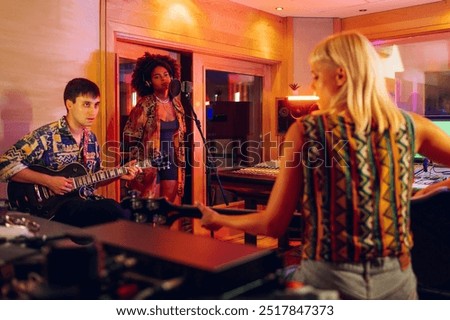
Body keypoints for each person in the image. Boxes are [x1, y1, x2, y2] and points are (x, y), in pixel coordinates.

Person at [197, 31, 450, 299]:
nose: (314, 86)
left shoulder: (307, 130)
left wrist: (218, 218)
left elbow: (273, 225)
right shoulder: (413, 126)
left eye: (316, 76)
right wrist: (439, 187)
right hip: (397, 282)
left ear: (340, 75)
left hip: (329, 281)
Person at [0, 78, 141, 227]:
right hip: (52, 209)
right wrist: (48, 181)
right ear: (69, 104)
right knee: (112, 210)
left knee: (129, 210)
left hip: (82, 203)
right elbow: (4, 165)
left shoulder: (91, 139)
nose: (93, 111)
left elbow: (93, 178)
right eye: (86, 104)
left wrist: (118, 173)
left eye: (96, 105)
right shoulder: (46, 135)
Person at [122, 53, 186, 205]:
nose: (164, 79)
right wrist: (138, 163)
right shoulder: (144, 104)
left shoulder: (177, 105)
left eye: (166, 75)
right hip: (149, 163)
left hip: (171, 161)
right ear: (149, 82)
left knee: (167, 205)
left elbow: (181, 136)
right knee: (149, 205)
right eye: (157, 77)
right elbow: (130, 136)